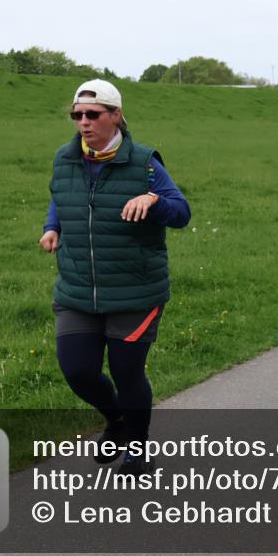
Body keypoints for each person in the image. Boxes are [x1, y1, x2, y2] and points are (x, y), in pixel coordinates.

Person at [39, 79, 191, 476]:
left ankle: (138, 449)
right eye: (77, 115)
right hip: (77, 288)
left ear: (116, 115)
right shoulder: (65, 158)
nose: (83, 123)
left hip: (135, 290)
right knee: (78, 371)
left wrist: (154, 199)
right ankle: (117, 421)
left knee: (127, 373)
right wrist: (52, 225)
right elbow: (61, 194)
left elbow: (181, 212)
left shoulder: (143, 163)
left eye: (93, 114)